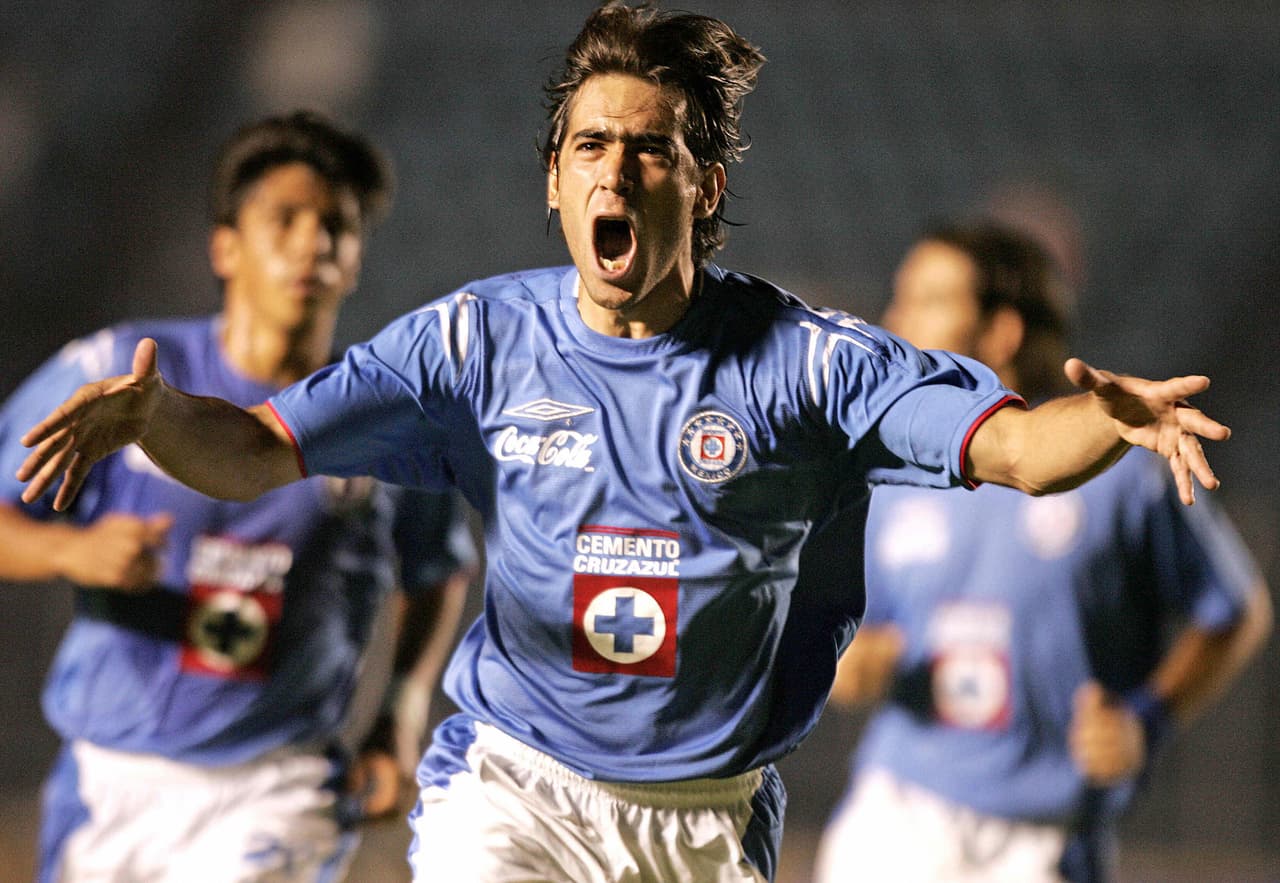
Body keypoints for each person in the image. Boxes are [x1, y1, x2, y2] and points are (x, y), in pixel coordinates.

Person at [11, 5, 1235, 881]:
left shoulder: (807, 362)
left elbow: (1017, 449)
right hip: (514, 786)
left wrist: (1110, 421)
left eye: (650, 148)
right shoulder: (474, 342)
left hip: (700, 825)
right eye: (591, 146)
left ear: (698, 185)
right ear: (555, 182)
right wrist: (158, 419)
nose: (618, 170)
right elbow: (257, 449)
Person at [0, 111, 476, 882]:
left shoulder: (384, 415)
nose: (312, 243)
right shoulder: (125, 375)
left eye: (336, 226)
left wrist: (400, 712)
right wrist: (71, 549)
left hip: (277, 780)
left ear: (355, 260)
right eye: (284, 219)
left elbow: (438, 567)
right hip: (111, 778)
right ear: (225, 246)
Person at [811, 222, 1272, 883]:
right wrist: (851, 659)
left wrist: (1146, 718)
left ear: (1002, 331)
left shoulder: (1119, 473)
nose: (895, 320)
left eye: (927, 299)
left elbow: (1235, 610)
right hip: (899, 812)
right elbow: (864, 630)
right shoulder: (895, 465)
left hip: (1042, 835)